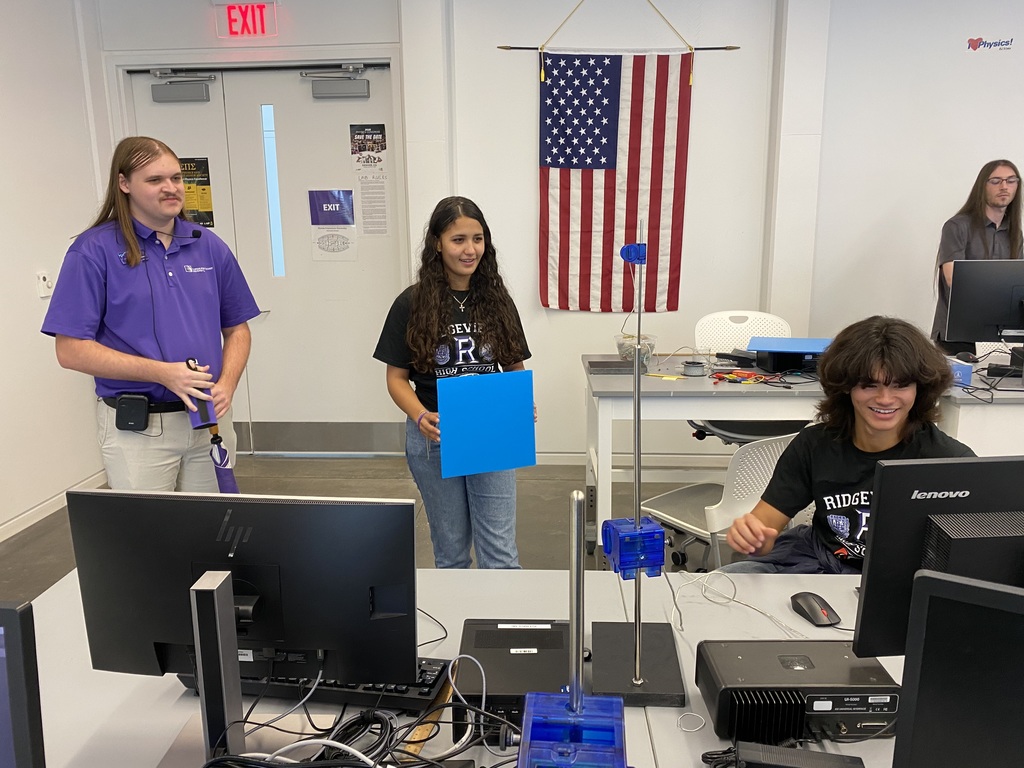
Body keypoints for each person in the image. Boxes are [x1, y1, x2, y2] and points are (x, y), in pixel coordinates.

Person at [41, 136, 260, 492]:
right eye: (155, 180)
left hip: (209, 419)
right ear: (124, 184)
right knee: (151, 540)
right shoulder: (92, 251)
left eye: (176, 178)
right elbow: (70, 350)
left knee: (212, 532)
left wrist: (228, 385)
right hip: (140, 431)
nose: (171, 188)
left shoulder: (207, 245)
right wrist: (163, 374)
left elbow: (238, 329)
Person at [720, 316, 975, 574]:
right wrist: (753, 538)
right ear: (846, 387)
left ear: (920, 388)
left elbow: (973, 556)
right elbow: (763, 530)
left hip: (898, 577)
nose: (885, 399)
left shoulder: (950, 461)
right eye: (869, 385)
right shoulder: (814, 444)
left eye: (900, 385)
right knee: (726, 581)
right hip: (816, 559)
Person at [373, 196, 531, 569]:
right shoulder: (410, 304)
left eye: (477, 239)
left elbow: (514, 365)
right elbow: (395, 378)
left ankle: (501, 625)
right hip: (435, 434)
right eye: (458, 239)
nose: (470, 249)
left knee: (501, 553)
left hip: (490, 430)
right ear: (437, 243)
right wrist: (421, 416)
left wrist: (518, 404)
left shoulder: (497, 301)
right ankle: (458, 624)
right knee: (451, 551)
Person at [931, 159, 1024, 355]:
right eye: (996, 180)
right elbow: (954, 279)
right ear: (982, 186)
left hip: (1001, 337)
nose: (1004, 186)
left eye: (1011, 180)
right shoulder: (957, 226)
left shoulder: (1015, 233)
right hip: (958, 337)